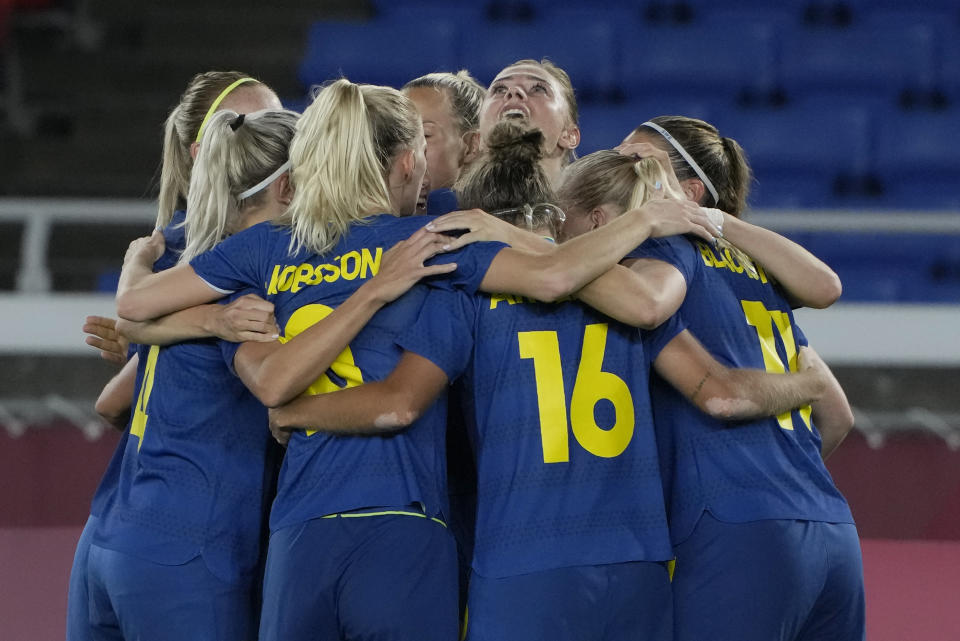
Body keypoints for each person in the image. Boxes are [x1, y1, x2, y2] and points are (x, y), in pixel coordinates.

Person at [113, 79, 721, 641]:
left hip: (299, 534)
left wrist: (198, 308)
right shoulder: (431, 245)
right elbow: (558, 275)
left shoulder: (267, 247)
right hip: (402, 526)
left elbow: (134, 307)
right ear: (408, 162)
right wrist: (644, 219)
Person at [264, 122, 832, 641]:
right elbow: (717, 387)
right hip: (637, 561)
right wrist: (808, 386)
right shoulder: (630, 303)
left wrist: (294, 412)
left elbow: (398, 402)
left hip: (521, 560)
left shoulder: (463, 290)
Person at [569, 117, 863, 641]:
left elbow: (716, 390)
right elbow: (837, 416)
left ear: (690, 192)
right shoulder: (754, 272)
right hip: (832, 530)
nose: (619, 167)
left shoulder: (660, 255)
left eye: (640, 163)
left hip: (734, 529)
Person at [68, 71, 283, 641]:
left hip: (108, 539)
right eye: (250, 127)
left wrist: (148, 341)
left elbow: (111, 404)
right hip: (191, 550)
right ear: (204, 150)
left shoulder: (170, 253)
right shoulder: (263, 260)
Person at [478, 58, 580, 187]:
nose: (514, 91)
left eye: (538, 89)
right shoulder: (448, 204)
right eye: (500, 89)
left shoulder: (603, 205)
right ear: (478, 138)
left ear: (569, 135)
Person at [402, 70, 484, 215]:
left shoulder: (513, 225)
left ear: (471, 146)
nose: (401, 150)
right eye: (397, 136)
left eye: (424, 134)